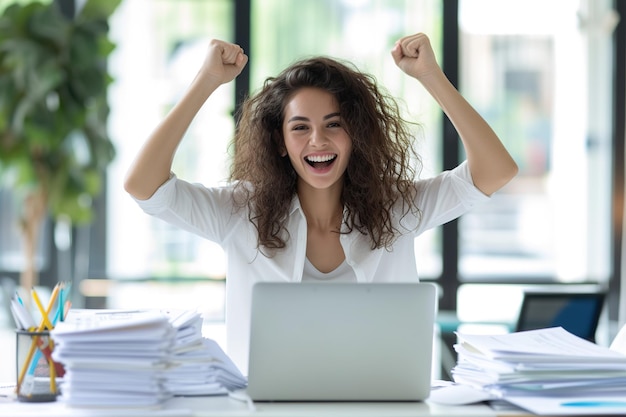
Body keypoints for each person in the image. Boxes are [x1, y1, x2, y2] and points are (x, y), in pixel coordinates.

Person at [124, 32, 519, 372]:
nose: (318, 141)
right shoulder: (240, 211)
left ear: (355, 134)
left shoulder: (398, 207)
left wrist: (431, 77)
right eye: (300, 127)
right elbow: (143, 186)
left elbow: (495, 171)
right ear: (279, 142)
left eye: (334, 124)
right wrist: (206, 81)